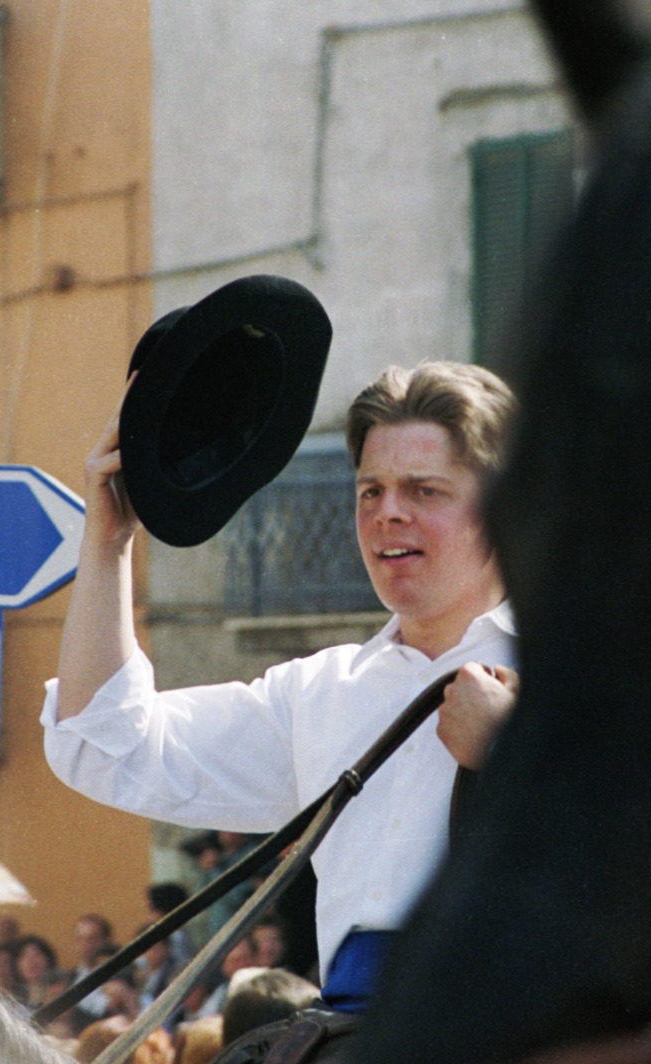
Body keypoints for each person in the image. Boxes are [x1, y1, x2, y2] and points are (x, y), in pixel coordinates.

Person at [44, 360, 519, 1014]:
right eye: (369, 491)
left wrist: (511, 747)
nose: (387, 514)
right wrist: (109, 540)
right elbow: (104, 745)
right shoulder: (319, 693)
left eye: (424, 490)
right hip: (359, 1063)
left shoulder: (586, 665)